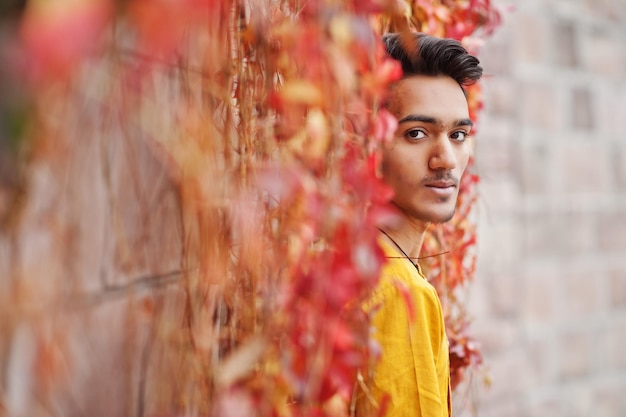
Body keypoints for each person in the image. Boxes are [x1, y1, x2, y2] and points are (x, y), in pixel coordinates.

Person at [354, 32, 483, 417]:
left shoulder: (358, 264)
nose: (445, 160)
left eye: (458, 135)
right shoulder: (396, 291)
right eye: (416, 133)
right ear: (369, 144)